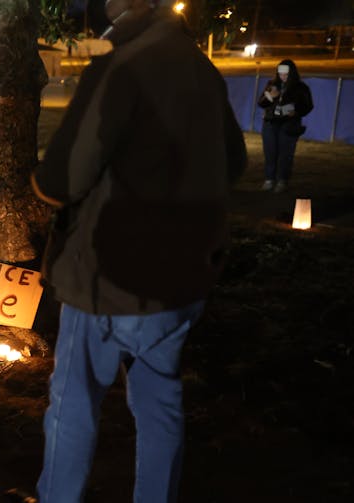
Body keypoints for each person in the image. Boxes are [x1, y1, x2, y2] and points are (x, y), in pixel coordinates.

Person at [29, 1, 247, 502]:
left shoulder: (119, 69)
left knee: (74, 403)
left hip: (110, 277)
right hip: (184, 277)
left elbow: (61, 180)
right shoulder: (202, 69)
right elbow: (233, 162)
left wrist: (45, 183)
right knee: (159, 405)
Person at [257, 59, 313, 193]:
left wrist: (296, 112)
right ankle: (269, 179)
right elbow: (261, 103)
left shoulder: (300, 88)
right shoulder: (272, 85)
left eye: (286, 74)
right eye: (280, 73)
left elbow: (308, 105)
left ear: (292, 73)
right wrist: (270, 96)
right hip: (270, 123)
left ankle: (282, 180)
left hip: (289, 124)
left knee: (285, 153)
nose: (283, 76)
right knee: (270, 152)